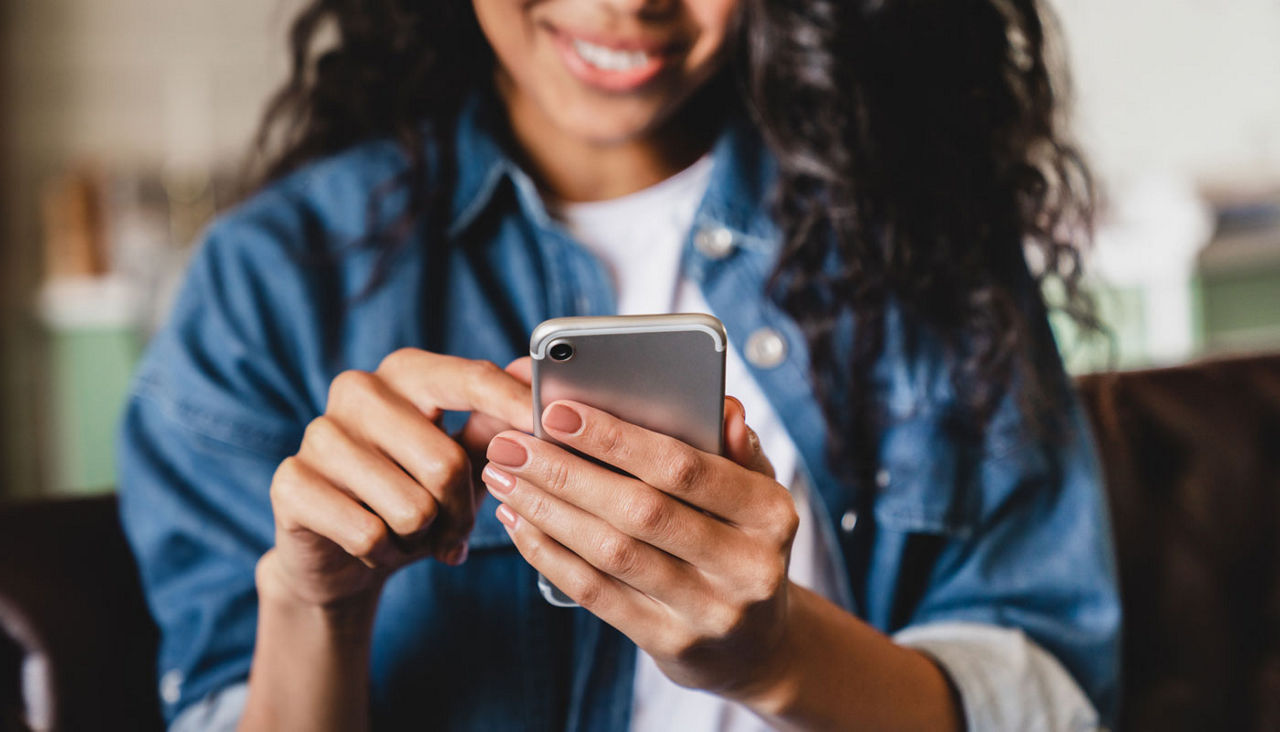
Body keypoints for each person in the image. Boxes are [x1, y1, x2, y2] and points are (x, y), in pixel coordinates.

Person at [118, 0, 1121, 729]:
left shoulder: (917, 227)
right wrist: (313, 603)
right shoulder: (273, 280)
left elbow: (1044, 694)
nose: (624, 3)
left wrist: (772, 656)